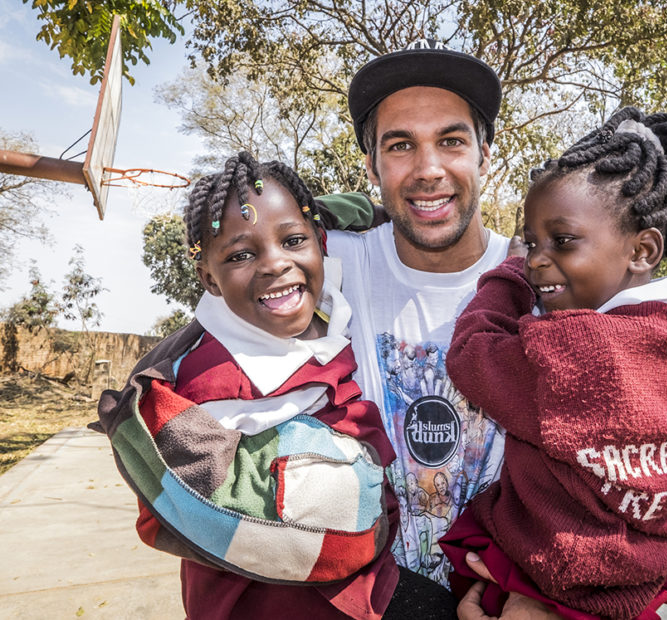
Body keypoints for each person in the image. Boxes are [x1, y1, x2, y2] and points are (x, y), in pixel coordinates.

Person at [96, 153, 454, 619]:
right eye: (241, 255)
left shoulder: (322, 312)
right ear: (209, 278)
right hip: (281, 600)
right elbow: (213, 501)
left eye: (293, 240)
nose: (275, 263)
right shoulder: (215, 379)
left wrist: (374, 211)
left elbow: (336, 217)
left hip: (359, 587)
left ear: (321, 243)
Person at [438, 107, 667, 619]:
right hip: (638, 579)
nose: (537, 258)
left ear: (643, 250)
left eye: (561, 241)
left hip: (554, 580)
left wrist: (508, 277)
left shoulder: (578, 351)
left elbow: (472, 352)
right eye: (530, 243)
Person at [337, 39, 562, 617]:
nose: (428, 169)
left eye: (452, 141)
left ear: (485, 156)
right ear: (372, 166)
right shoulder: (334, 267)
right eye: (401, 145)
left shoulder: (545, 285)